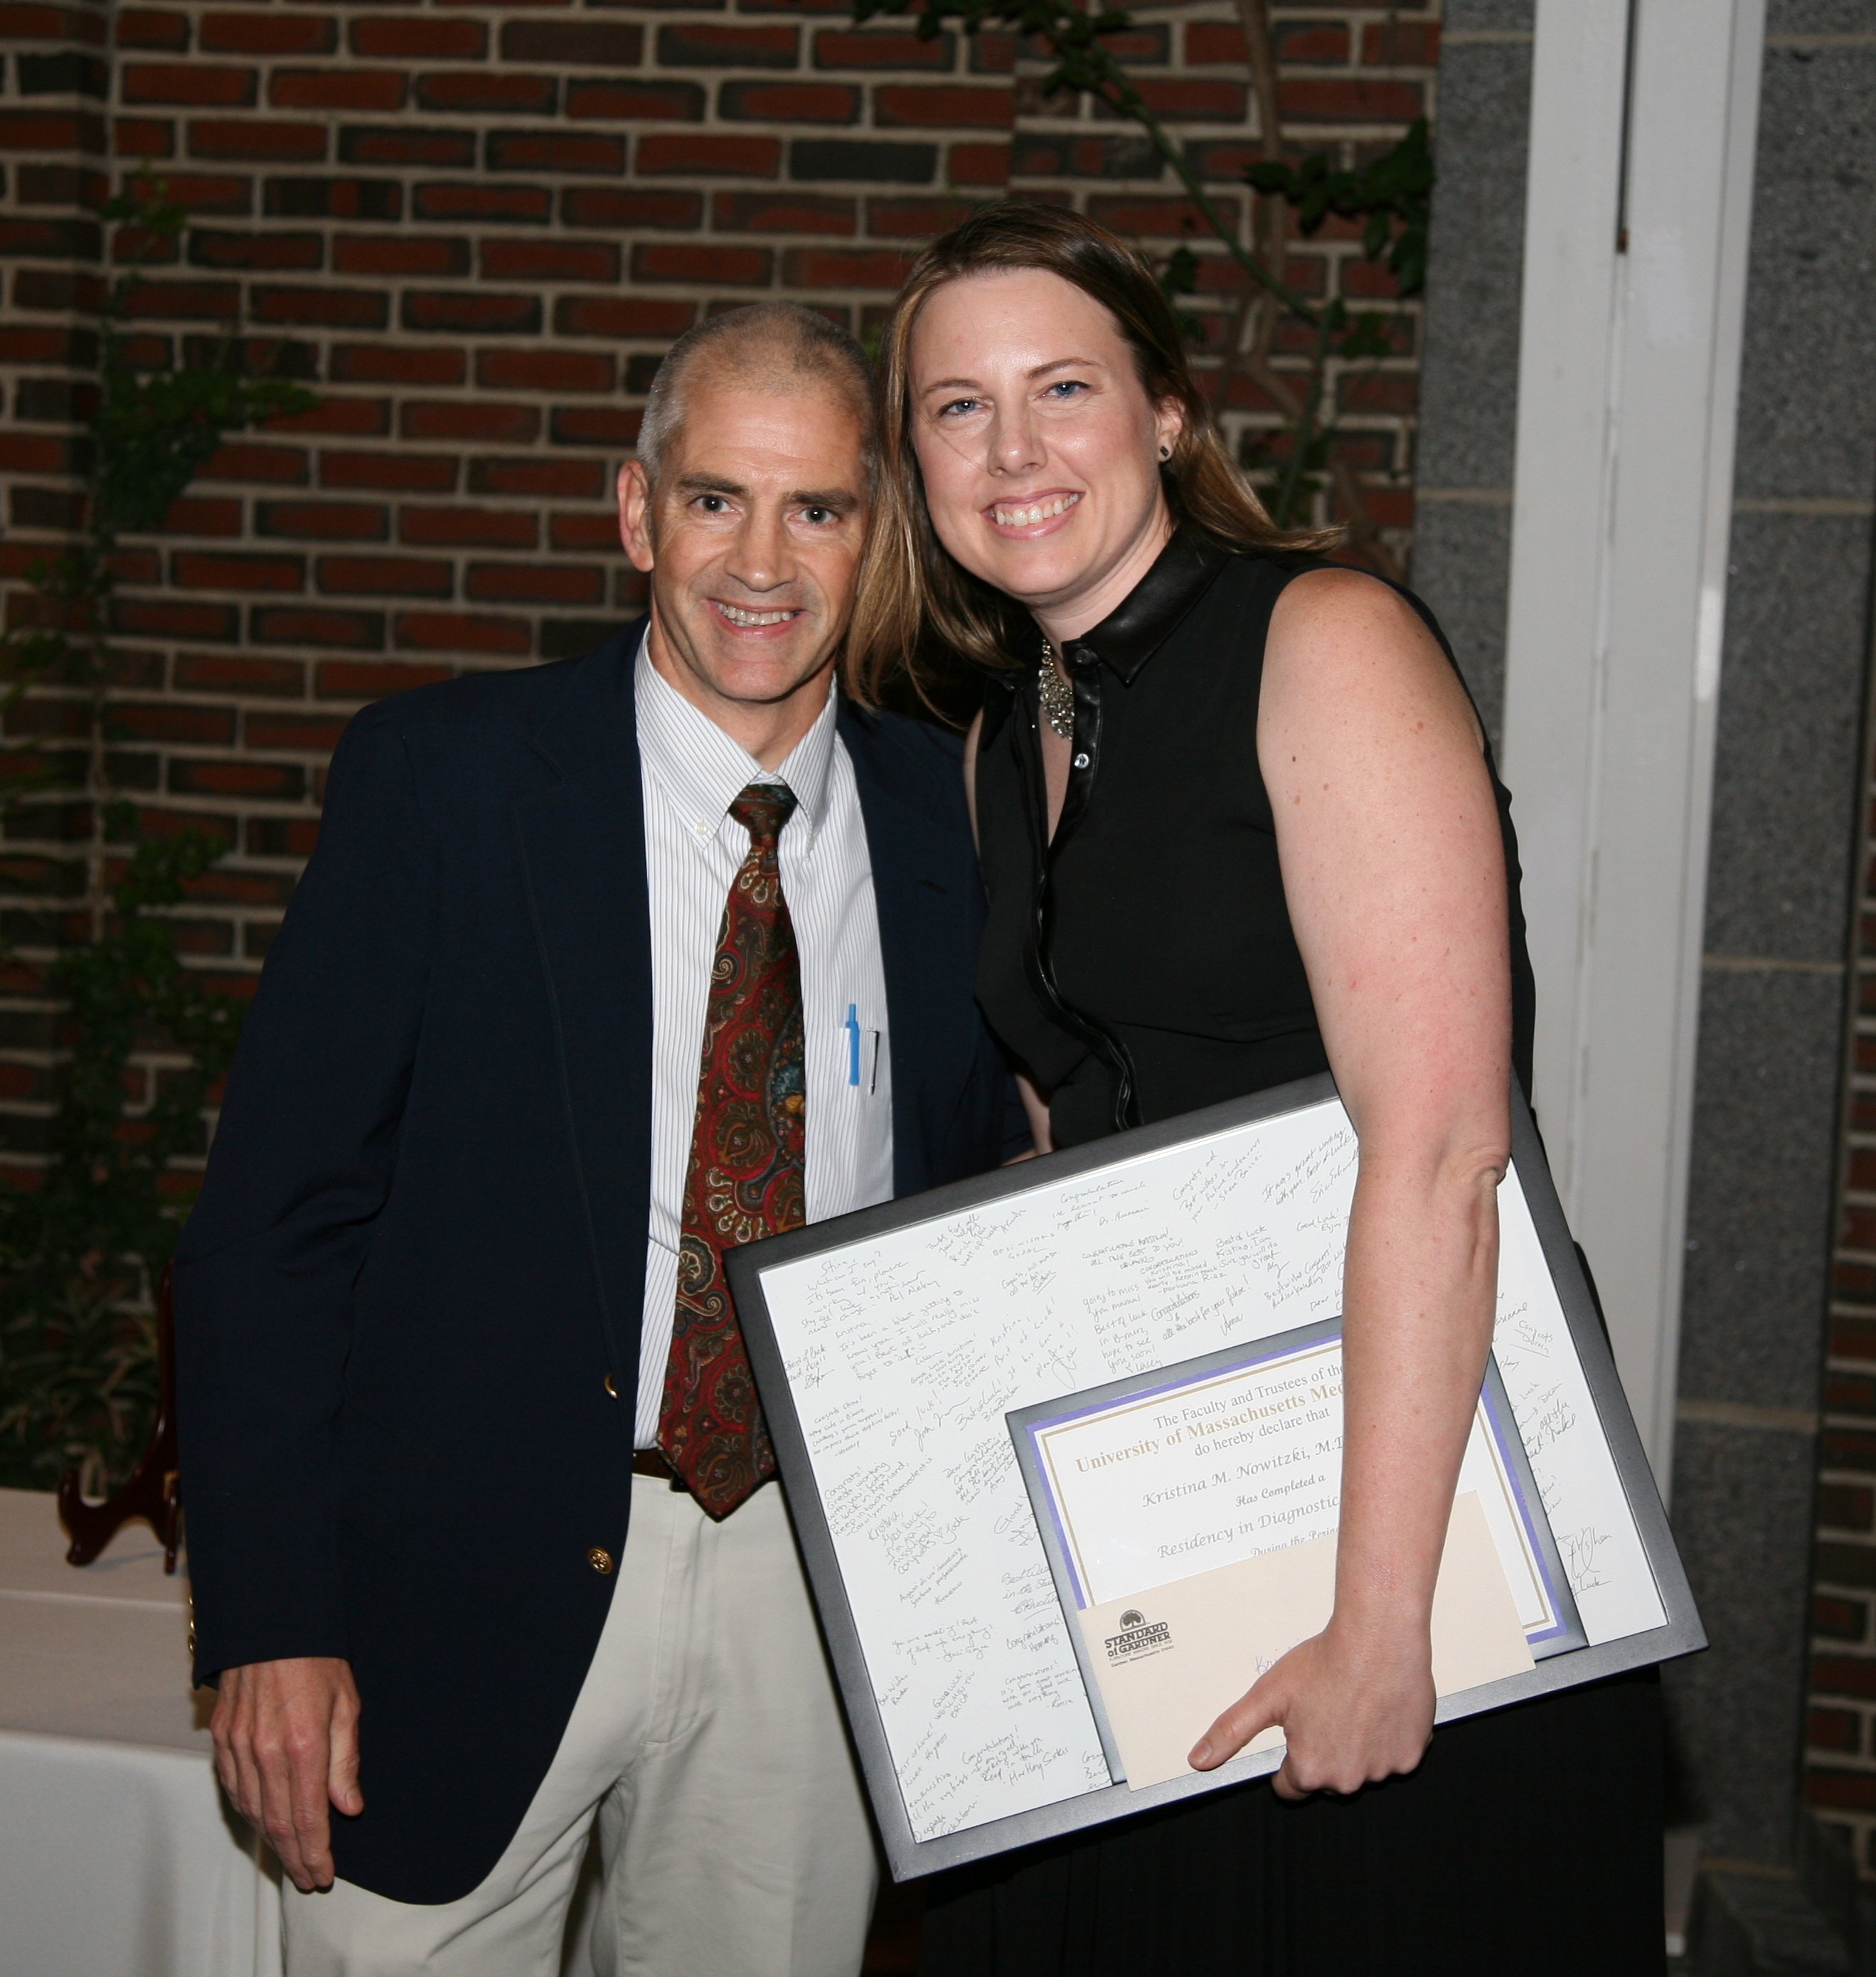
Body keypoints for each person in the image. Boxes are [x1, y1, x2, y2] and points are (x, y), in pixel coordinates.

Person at [846, 206, 1665, 1974]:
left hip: (1395, 1476)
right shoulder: (1000, 736)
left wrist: (1379, 1620)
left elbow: (1440, 1151)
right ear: (915, 463)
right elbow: (1074, 1140)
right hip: (1171, 1491)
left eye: (1062, 388)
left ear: (1164, 412)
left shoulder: (1323, 639)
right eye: (956, 408)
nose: (1012, 448)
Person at [174, 301, 1022, 1976]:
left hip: (811, 1587)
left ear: (877, 540)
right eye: (714, 499)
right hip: (456, 1586)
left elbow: (988, 1195)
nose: (759, 562)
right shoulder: (446, 782)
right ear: (637, 512)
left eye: (815, 508)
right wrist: (269, 1618)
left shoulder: (958, 819)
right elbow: (273, 1227)